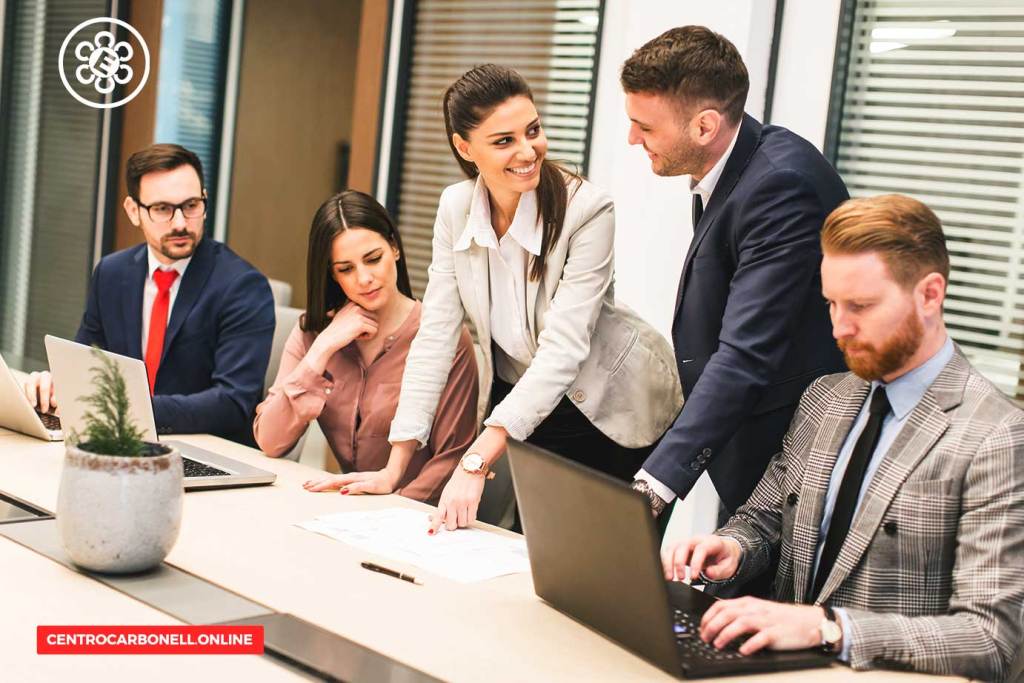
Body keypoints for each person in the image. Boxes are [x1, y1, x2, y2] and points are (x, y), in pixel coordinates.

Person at [662, 195, 1024, 680]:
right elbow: (765, 521)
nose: (839, 327)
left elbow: (989, 638)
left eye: (861, 306)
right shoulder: (825, 398)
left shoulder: (996, 437)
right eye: (831, 303)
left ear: (930, 294)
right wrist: (731, 549)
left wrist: (829, 628)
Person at [328, 64, 681, 531]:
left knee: (609, 576)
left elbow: (563, 350)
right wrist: (396, 466)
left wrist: (474, 462)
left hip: (618, 409)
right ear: (464, 147)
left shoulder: (587, 210)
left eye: (532, 131)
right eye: (503, 140)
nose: (527, 151)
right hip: (532, 409)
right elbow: (434, 336)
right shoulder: (455, 208)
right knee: (537, 560)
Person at [619, 26, 849, 519]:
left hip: (786, 461)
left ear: (704, 126)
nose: (633, 138)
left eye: (646, 126)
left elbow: (746, 352)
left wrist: (656, 484)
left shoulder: (780, 187)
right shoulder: (736, 165)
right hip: (746, 443)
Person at [23, 143, 274, 446]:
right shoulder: (112, 274)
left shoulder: (243, 286)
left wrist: (128, 411)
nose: (180, 222)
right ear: (133, 211)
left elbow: (232, 404)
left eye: (191, 205)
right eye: (163, 209)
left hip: (203, 448)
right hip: (121, 442)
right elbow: (85, 359)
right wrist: (56, 383)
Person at [254, 191, 479, 504]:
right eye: (345, 269)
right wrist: (322, 348)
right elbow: (271, 441)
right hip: (349, 511)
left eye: (374, 259)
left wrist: (386, 514)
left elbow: (450, 459)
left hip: (415, 517)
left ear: (395, 248)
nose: (364, 278)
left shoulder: (444, 336)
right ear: (331, 274)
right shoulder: (313, 332)